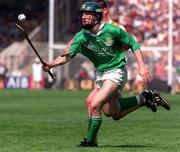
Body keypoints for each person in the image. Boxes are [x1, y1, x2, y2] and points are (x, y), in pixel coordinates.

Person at [42, 1, 170, 147]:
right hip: (101, 75)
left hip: (116, 72)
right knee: (112, 112)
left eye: (88, 14)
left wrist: (142, 67)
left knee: (94, 103)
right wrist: (51, 64)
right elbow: (67, 55)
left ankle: (90, 142)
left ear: (97, 16)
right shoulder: (81, 36)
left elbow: (133, 43)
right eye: (83, 14)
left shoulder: (113, 30)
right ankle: (144, 98)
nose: (84, 17)